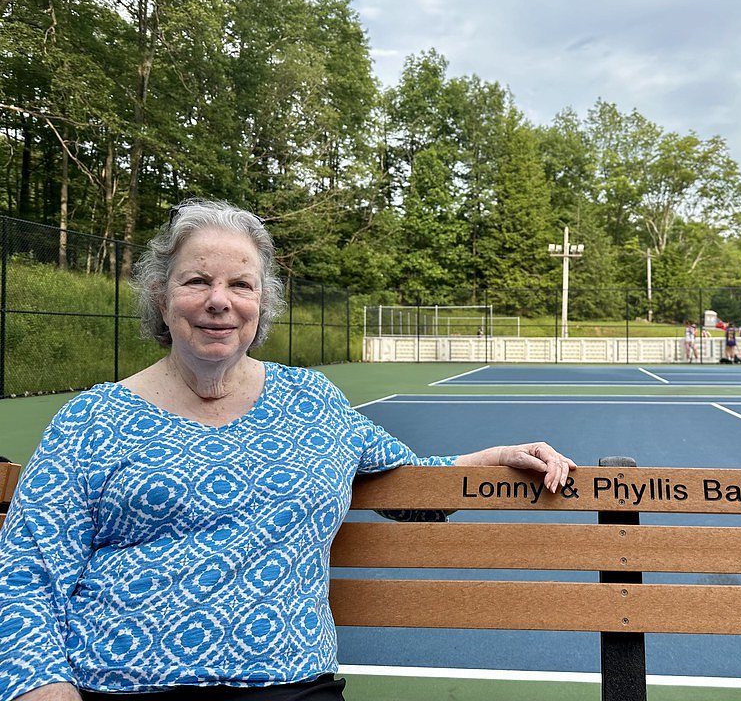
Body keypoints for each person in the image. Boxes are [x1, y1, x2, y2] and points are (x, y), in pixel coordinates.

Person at [0, 199, 576, 701]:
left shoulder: (313, 402)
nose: (218, 301)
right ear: (160, 295)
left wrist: (499, 455)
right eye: (196, 281)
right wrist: (43, 689)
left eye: (240, 285)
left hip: (289, 685)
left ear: (262, 301)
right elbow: (22, 573)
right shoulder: (93, 420)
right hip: (119, 684)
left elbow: (408, 482)